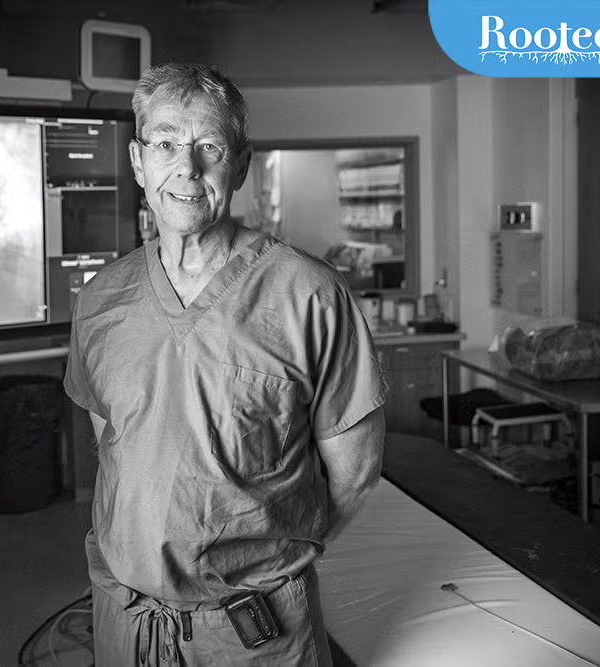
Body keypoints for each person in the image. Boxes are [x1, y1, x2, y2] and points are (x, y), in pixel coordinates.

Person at [63, 62, 387, 666]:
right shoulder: (102, 299)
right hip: (125, 623)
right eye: (164, 144)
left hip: (252, 634)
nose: (186, 168)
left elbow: (356, 467)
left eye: (208, 146)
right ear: (139, 162)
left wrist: (271, 557)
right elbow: (114, 448)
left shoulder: (307, 295)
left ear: (239, 163)